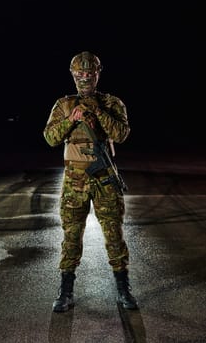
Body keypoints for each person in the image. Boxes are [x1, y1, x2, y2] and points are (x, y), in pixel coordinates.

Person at [43, 51, 138, 312]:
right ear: (73, 75)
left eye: (90, 73)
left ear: (98, 73)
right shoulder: (63, 104)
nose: (85, 78)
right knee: (71, 237)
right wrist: (71, 119)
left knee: (114, 235)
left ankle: (123, 289)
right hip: (75, 181)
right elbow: (50, 138)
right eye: (80, 74)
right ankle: (66, 291)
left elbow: (120, 134)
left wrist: (98, 111)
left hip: (105, 179)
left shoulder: (111, 103)